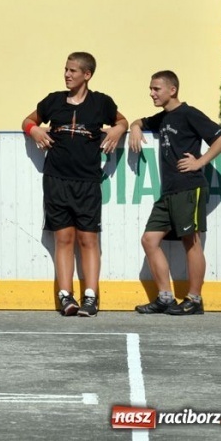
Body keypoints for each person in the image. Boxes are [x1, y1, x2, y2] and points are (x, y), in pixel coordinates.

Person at [21, 52, 128, 317]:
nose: (67, 74)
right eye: (66, 69)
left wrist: (118, 130)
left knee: (88, 239)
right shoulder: (53, 100)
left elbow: (122, 120)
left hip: (88, 181)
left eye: (73, 71)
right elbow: (28, 120)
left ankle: (91, 297)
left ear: (87, 75)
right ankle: (66, 297)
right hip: (56, 179)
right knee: (64, 239)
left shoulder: (101, 102)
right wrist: (33, 130)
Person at [128, 70, 221, 315]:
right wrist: (134, 127)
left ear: (172, 90)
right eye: (151, 88)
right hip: (168, 192)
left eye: (156, 89)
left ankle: (194, 300)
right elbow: (140, 122)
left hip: (189, 187)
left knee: (191, 242)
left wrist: (200, 161)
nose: (151, 93)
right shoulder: (163, 118)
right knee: (150, 240)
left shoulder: (189, 114)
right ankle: (165, 297)